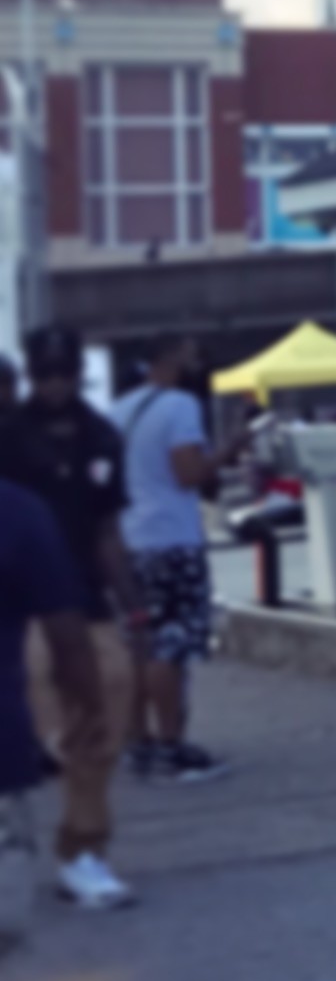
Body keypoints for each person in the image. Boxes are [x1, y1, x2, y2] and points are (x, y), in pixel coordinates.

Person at [0, 328, 137, 907]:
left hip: (83, 596)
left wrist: (134, 602)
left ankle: (83, 848)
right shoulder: (7, 431)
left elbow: (108, 529)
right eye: (45, 372)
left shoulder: (101, 434)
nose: (55, 382)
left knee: (103, 716)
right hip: (22, 603)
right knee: (41, 716)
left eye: (65, 371)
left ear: (80, 371)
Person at [0, 470, 110, 981]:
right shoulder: (17, 511)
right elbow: (66, 633)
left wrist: (89, 704)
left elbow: (66, 630)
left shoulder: (18, 512)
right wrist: (89, 706)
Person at [112, 337, 227, 782]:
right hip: (172, 539)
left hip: (129, 541)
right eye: (186, 357)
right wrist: (231, 447)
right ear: (165, 361)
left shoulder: (117, 411)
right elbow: (188, 473)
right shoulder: (180, 405)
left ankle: (137, 742)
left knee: (137, 644)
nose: (192, 365)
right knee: (170, 645)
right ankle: (171, 744)